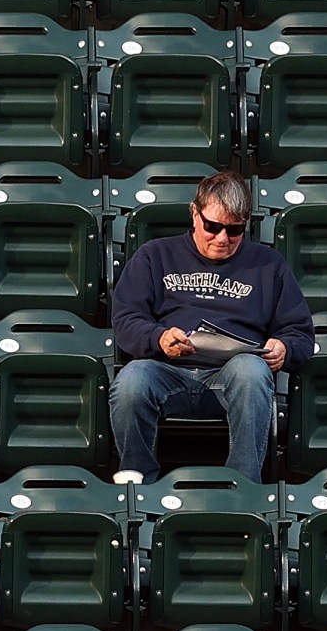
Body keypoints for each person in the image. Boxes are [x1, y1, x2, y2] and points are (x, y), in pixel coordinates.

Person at [108, 169, 314, 482]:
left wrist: (285, 348)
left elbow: (300, 333)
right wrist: (158, 337)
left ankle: (243, 485)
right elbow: (126, 319)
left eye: (234, 230)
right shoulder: (154, 255)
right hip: (166, 369)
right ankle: (137, 484)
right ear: (195, 214)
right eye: (213, 226)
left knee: (252, 371)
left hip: (232, 374)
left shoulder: (268, 264)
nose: (222, 238)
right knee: (131, 380)